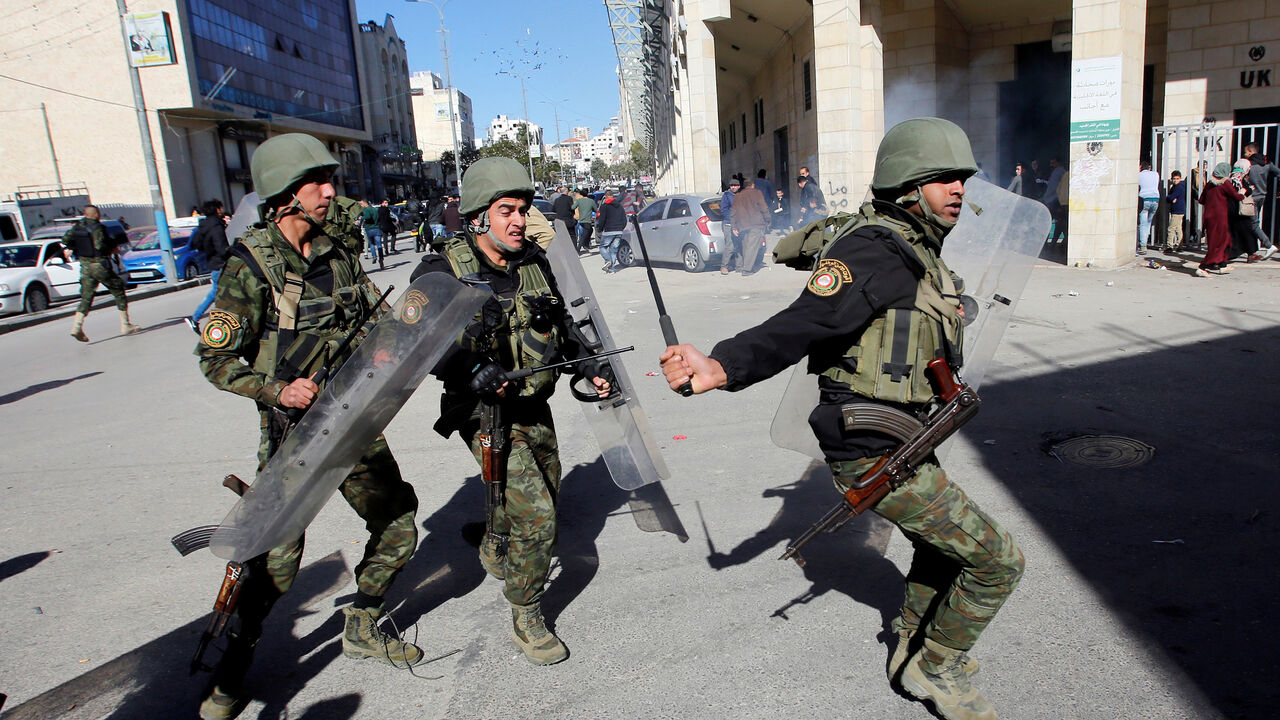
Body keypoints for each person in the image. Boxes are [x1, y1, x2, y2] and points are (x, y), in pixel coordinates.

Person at [659, 118, 1024, 720]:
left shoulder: (916, 247)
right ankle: (938, 667)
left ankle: (911, 643)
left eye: (962, 178)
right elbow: (809, 321)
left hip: (904, 431)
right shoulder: (876, 248)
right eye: (944, 178)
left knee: (939, 548)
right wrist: (722, 364)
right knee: (996, 559)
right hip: (871, 444)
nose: (959, 188)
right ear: (909, 184)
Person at [195, 134, 424, 720]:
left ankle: (363, 620)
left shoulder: (338, 252)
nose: (330, 191)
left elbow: (381, 320)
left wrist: (389, 344)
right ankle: (231, 672)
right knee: (274, 565)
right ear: (283, 193)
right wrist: (277, 389)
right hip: (292, 438)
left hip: (354, 422)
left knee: (398, 526)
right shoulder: (250, 266)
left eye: (331, 180)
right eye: (317, 182)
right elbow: (216, 359)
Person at [409, 156, 613, 666]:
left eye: (523, 209)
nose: (519, 220)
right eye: (506, 210)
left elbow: (561, 323)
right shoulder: (442, 270)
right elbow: (413, 339)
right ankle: (527, 612)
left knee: (549, 484)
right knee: (538, 514)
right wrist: (464, 363)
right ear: (479, 217)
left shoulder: (533, 263)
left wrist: (585, 366)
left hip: (532, 402)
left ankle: (495, 539)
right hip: (482, 410)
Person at [63, 204, 138, 342]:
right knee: (118, 289)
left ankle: (77, 327)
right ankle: (125, 324)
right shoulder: (98, 228)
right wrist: (112, 249)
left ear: (85, 215)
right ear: (96, 215)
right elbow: (100, 246)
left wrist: (76, 247)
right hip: (100, 265)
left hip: (85, 267)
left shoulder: (77, 227)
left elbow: (65, 240)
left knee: (86, 297)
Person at [186, 199, 231, 334]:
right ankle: (196, 317)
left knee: (220, 292)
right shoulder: (216, 227)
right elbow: (222, 248)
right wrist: (235, 248)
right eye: (220, 208)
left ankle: (219, 320)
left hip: (212, 262)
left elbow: (196, 244)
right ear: (217, 209)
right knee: (219, 292)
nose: (222, 210)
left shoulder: (204, 226)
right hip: (221, 263)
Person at [1196, 161, 1242, 276]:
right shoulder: (1225, 183)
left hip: (1209, 217)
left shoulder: (1210, 184)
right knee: (1219, 243)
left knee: (1224, 241)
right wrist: (1244, 192)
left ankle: (1223, 264)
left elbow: (1201, 200)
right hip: (1220, 217)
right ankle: (1203, 267)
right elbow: (1236, 196)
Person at [1243, 143, 1279, 260]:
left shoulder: (1249, 165)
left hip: (1252, 197)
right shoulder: (1267, 164)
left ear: (1250, 152)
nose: (1244, 154)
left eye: (1245, 152)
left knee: (1253, 224)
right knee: (1251, 223)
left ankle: (1268, 245)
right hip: (1262, 196)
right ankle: (1251, 250)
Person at [731, 177, 771, 276]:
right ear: (752, 185)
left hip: (742, 224)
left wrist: (734, 226)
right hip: (756, 223)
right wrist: (768, 219)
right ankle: (747, 269)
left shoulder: (738, 196)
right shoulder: (757, 193)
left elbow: (733, 212)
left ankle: (746, 266)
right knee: (752, 247)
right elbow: (764, 207)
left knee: (745, 246)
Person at [596, 188, 627, 272]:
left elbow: (602, 219)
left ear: (606, 197)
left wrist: (600, 228)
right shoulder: (620, 206)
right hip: (619, 230)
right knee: (613, 250)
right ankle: (611, 269)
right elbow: (624, 219)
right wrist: (621, 228)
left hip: (609, 230)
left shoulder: (604, 206)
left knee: (603, 247)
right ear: (613, 196)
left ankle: (608, 261)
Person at [1137, 161, 1160, 255]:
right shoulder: (1156, 174)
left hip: (1144, 199)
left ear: (1140, 167)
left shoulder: (1139, 175)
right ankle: (1145, 241)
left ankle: (1143, 246)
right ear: (1149, 168)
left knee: (1143, 223)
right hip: (1155, 199)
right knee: (1148, 222)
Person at [1041, 157, 1066, 243]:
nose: (1051, 165)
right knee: (1058, 223)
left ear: (1059, 163)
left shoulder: (1059, 172)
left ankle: (1050, 243)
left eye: (1053, 163)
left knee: (1055, 223)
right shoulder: (1058, 172)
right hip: (1052, 201)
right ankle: (1052, 243)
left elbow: (1055, 189)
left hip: (1054, 202)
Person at [719, 178, 741, 274]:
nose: (733, 187)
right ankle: (724, 266)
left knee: (740, 245)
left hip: (740, 224)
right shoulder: (726, 196)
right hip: (728, 224)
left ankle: (739, 266)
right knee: (730, 245)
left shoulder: (740, 196)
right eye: (731, 185)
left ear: (738, 186)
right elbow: (724, 210)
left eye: (735, 185)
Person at [1165, 171, 1186, 252]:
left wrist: (1170, 198)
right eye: (1174, 179)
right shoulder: (1177, 186)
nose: (1175, 180)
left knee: (1171, 228)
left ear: (1180, 179)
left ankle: (1169, 245)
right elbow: (1170, 197)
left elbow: (1170, 197)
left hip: (1177, 210)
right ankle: (1179, 245)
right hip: (1178, 210)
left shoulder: (1178, 187)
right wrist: (1170, 198)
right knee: (1178, 228)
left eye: (1177, 179)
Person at [359, 199, 384, 269]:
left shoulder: (366, 210)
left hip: (369, 229)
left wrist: (362, 218)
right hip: (377, 228)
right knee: (379, 245)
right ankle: (381, 258)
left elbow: (367, 217)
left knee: (372, 244)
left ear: (365, 203)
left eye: (361, 204)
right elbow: (378, 218)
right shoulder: (374, 209)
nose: (361, 205)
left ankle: (374, 256)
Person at [572, 188, 597, 253]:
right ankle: (579, 247)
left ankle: (585, 244)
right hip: (587, 220)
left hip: (581, 219)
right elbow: (596, 209)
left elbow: (572, 207)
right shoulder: (591, 201)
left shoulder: (579, 201)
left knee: (589, 230)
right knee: (585, 234)